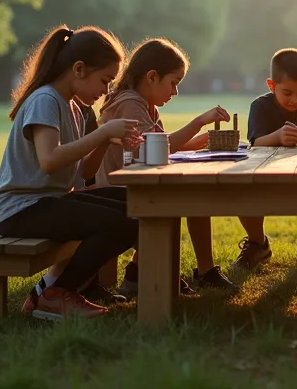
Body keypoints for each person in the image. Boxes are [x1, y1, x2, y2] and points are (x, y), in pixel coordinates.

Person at [0, 25, 143, 321]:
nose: (105, 91)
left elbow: (83, 171)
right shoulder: (45, 100)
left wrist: (106, 140)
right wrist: (102, 134)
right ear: (79, 69)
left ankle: (48, 291)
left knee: (135, 202)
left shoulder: (73, 106)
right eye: (105, 80)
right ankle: (57, 294)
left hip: (49, 202)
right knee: (125, 221)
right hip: (21, 209)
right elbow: (49, 160)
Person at [96, 38, 239, 295]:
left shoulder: (146, 105)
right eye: (173, 83)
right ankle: (180, 272)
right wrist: (198, 122)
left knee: (194, 194)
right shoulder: (129, 102)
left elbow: (163, 147)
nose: (175, 93)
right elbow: (156, 147)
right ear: (152, 76)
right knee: (188, 197)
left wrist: (201, 143)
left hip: (137, 185)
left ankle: (142, 274)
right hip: (117, 191)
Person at [236, 48, 297, 271]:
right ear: (271, 86)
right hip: (264, 171)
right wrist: (278, 136)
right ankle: (257, 242)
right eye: (287, 92)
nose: (296, 99)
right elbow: (256, 142)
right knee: (241, 187)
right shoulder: (260, 106)